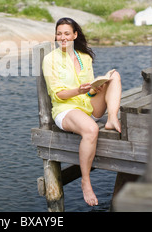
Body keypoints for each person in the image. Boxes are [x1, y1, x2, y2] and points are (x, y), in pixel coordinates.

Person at [42, 17, 122, 206]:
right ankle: (86, 181)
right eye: (59, 33)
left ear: (75, 35)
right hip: (66, 109)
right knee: (91, 129)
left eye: (67, 34)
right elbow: (59, 94)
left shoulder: (84, 57)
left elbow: (90, 89)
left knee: (114, 76)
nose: (62, 37)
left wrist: (96, 89)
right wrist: (79, 90)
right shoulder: (50, 59)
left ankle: (112, 118)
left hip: (87, 105)